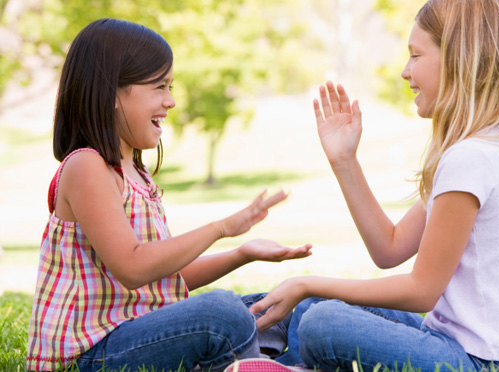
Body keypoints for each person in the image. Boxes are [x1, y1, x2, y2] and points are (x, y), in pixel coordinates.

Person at [233, 0, 499, 371]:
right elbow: (390, 248)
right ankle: (287, 365)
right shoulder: (484, 146)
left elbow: (422, 290)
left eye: (416, 55)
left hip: (488, 364)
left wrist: (309, 282)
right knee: (313, 309)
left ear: (459, 59)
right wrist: (344, 160)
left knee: (323, 320)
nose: (405, 71)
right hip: (463, 348)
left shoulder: (471, 158)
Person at [26, 18, 312, 372]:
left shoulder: (134, 171)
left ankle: (278, 364)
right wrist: (221, 227)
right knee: (221, 313)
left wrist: (242, 253)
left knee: (285, 305)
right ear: (112, 92)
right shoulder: (87, 167)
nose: (171, 101)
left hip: (139, 333)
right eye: (159, 87)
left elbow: (164, 277)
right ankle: (264, 364)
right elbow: (133, 267)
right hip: (92, 354)